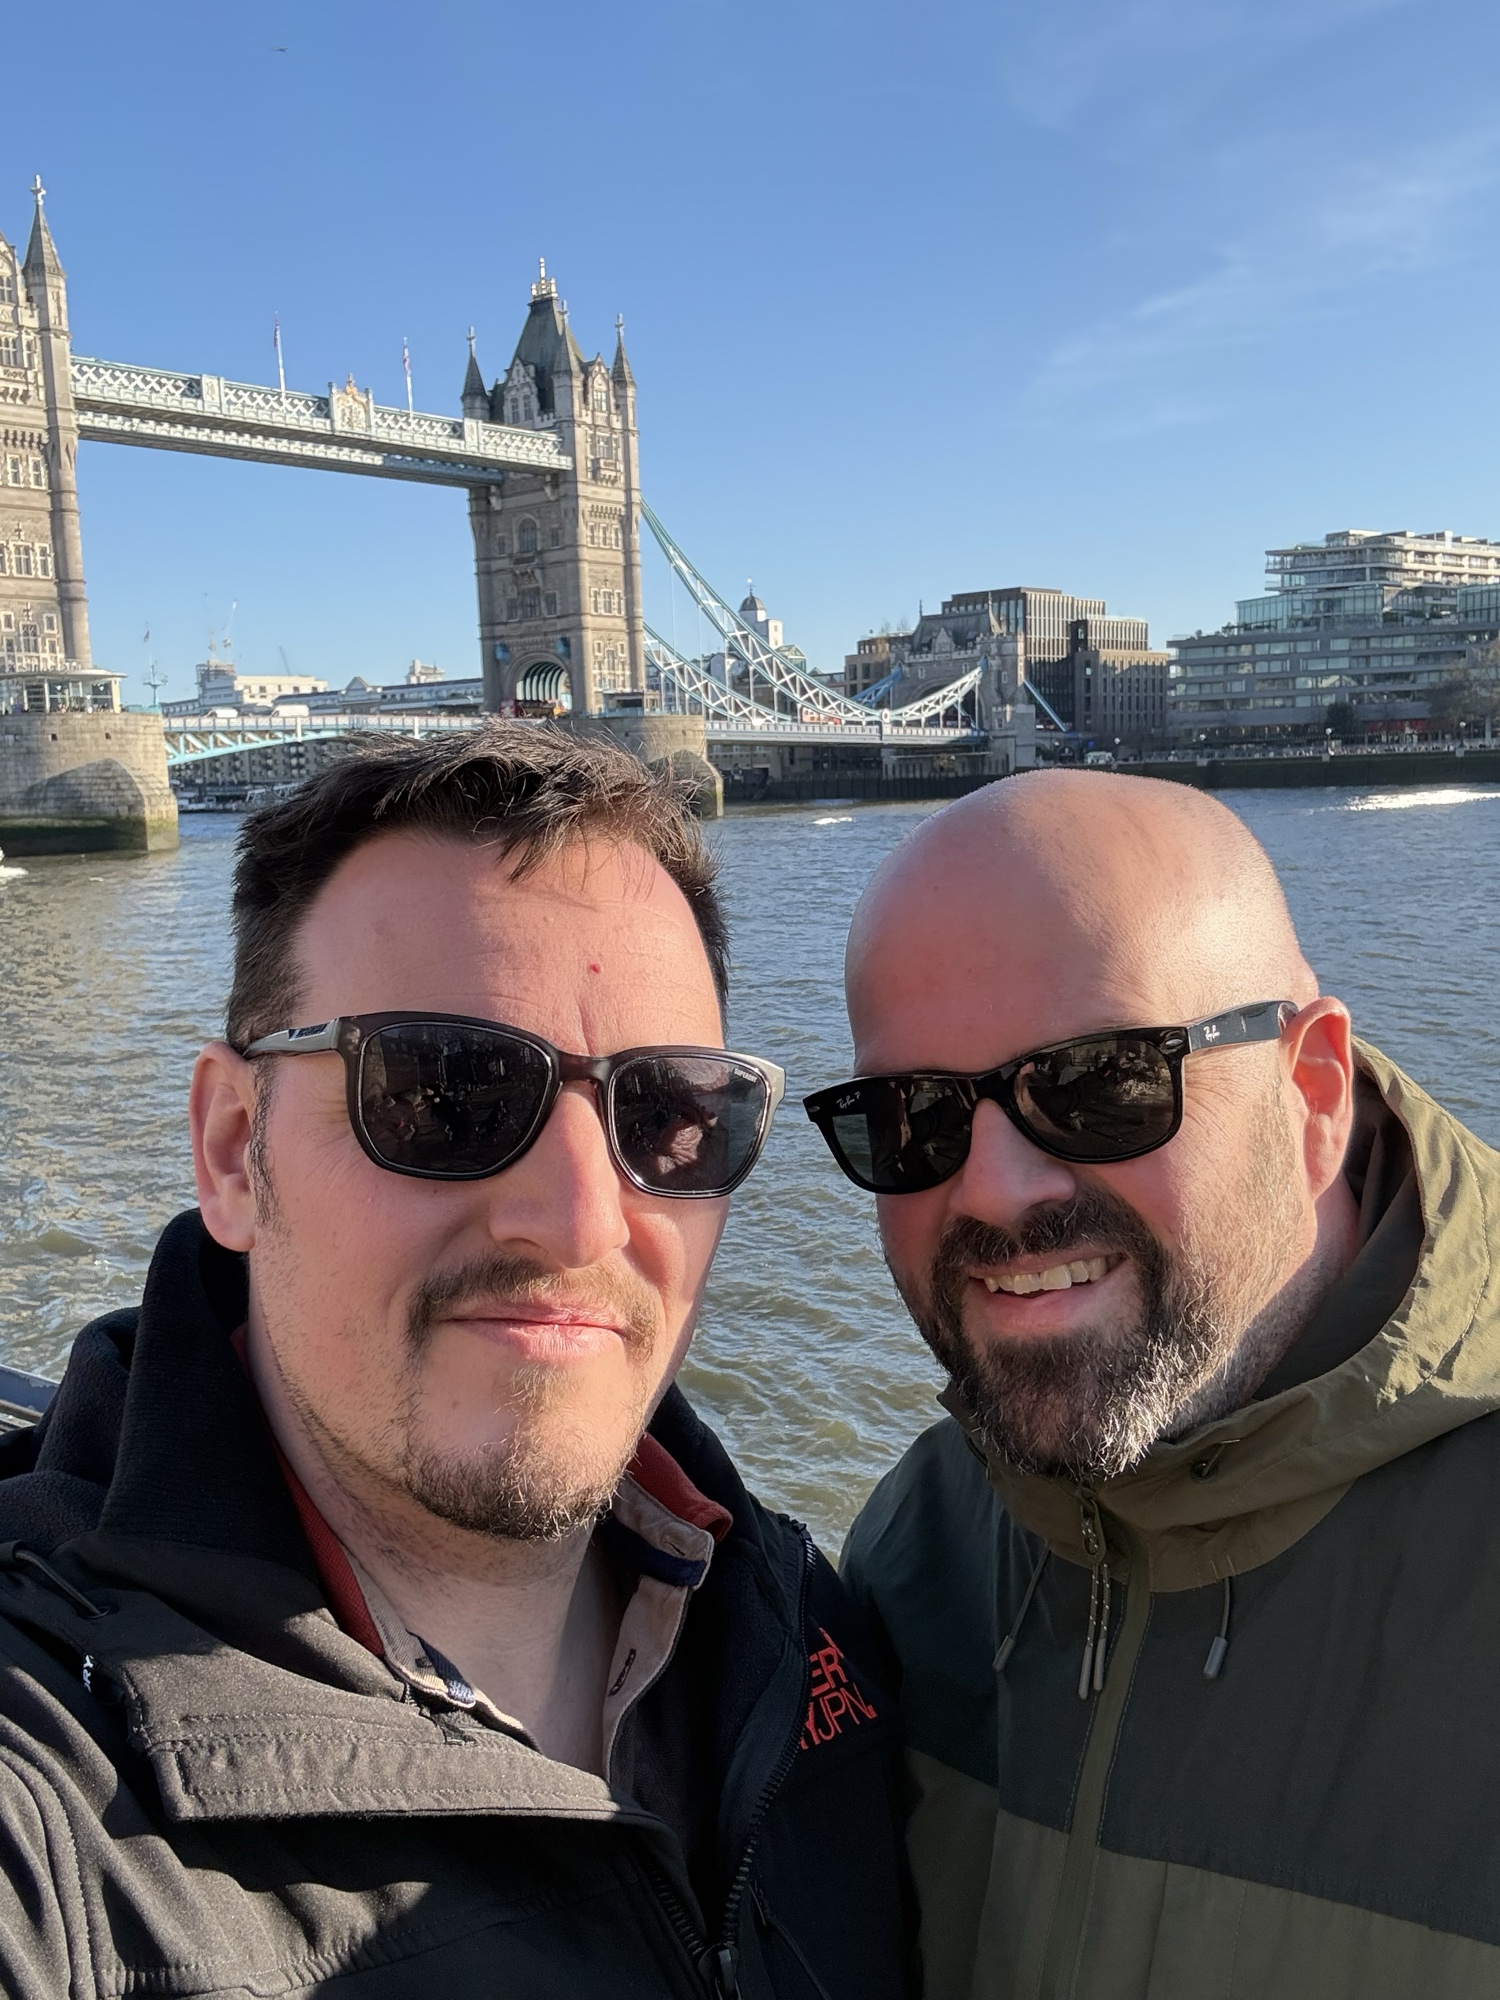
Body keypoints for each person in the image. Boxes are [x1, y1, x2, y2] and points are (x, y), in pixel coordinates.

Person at [0, 725, 911, 1998]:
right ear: (231, 1148)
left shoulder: (818, 1628)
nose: (583, 1220)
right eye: (445, 1091)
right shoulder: (48, 1801)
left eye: (668, 1114)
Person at [810, 768, 1500, 2000]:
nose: (993, 1189)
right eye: (912, 1116)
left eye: (1100, 1083)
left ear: (1313, 1090)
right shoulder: (916, 1548)